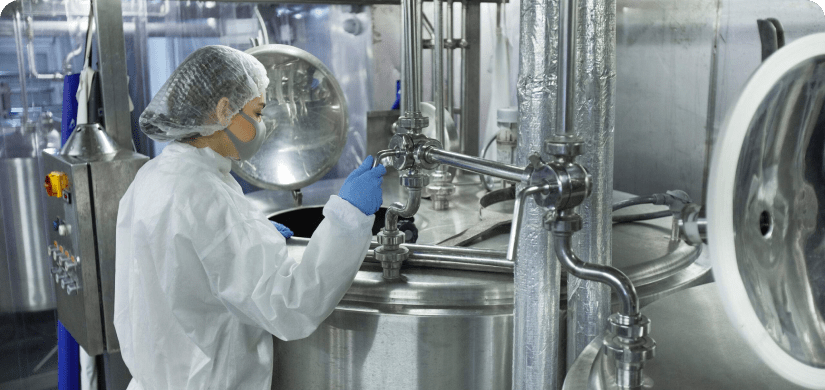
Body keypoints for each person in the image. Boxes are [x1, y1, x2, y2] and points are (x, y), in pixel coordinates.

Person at [113, 45, 386, 389]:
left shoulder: (152, 177)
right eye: (257, 112)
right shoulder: (207, 195)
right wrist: (349, 216)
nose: (262, 125)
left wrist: (253, 236)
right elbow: (290, 306)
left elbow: (181, 267)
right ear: (224, 110)